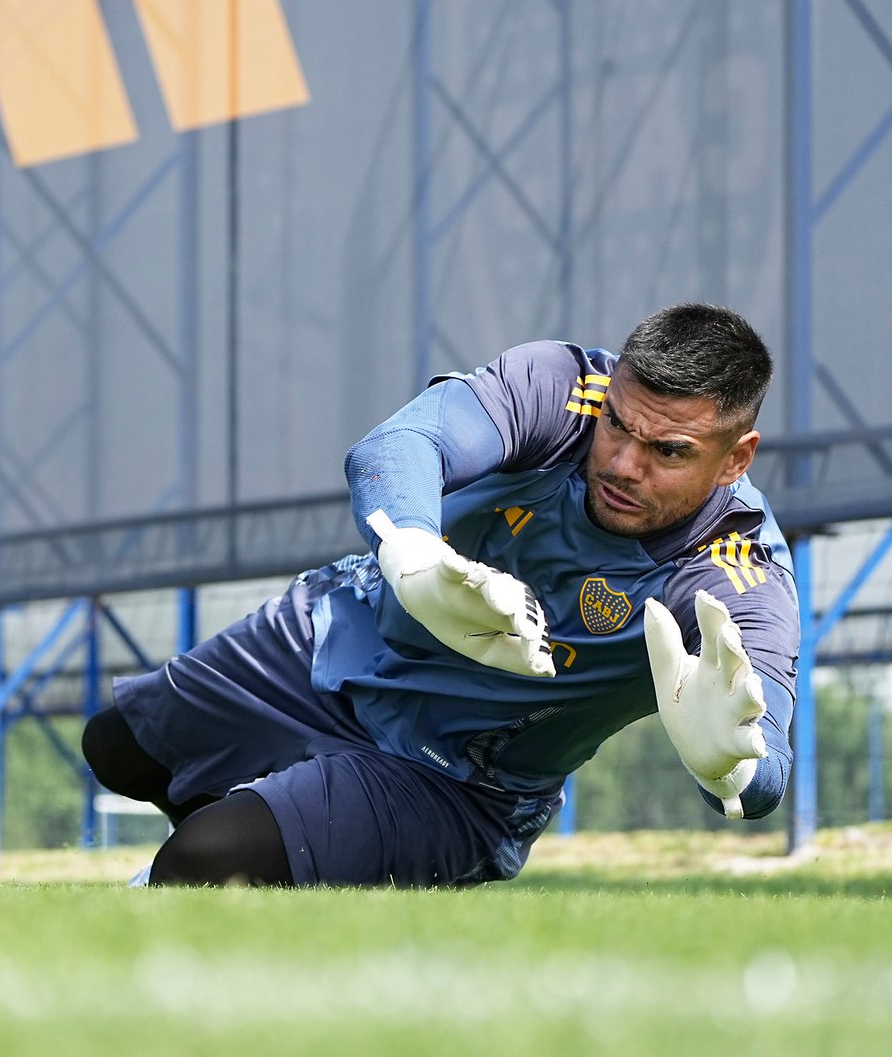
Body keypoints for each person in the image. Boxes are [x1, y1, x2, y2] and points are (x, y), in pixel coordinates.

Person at [82, 303, 799, 888]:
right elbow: (397, 447)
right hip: (336, 637)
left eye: (669, 451)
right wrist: (417, 563)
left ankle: (250, 849)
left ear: (735, 458)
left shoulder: (738, 574)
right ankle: (286, 852)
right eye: (618, 424)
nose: (622, 464)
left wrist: (731, 763)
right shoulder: (564, 388)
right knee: (118, 748)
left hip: (455, 779)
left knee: (202, 861)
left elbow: (765, 760)